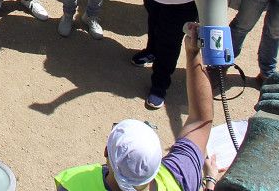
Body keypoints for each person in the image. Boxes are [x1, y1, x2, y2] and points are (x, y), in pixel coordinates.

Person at [53, 24, 213, 191]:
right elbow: (201, 120)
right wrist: (193, 53)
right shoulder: (180, 178)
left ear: (106, 151)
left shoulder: (73, 184)